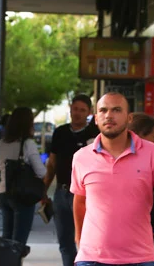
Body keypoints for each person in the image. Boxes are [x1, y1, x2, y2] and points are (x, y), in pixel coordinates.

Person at [72, 93, 154, 266]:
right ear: (95, 119)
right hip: (92, 259)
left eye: (116, 110)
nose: (109, 115)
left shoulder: (152, 153)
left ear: (129, 118)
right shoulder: (81, 157)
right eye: (103, 110)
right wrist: (79, 238)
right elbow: (80, 202)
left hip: (139, 258)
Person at [43, 94, 99, 266]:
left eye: (82, 110)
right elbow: (52, 163)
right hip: (62, 192)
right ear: (70, 109)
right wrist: (44, 190)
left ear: (89, 112)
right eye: (75, 109)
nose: (78, 113)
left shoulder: (96, 134)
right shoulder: (60, 132)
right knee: (65, 242)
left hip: (86, 195)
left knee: (86, 241)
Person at [0, 107, 47, 245]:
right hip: (22, 195)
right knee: (19, 242)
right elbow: (41, 172)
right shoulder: (28, 144)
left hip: (3, 193)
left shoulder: (2, 143)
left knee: (6, 238)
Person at [128, 112, 154, 261]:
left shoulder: (153, 158)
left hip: (145, 239)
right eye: (153, 135)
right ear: (140, 136)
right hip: (136, 237)